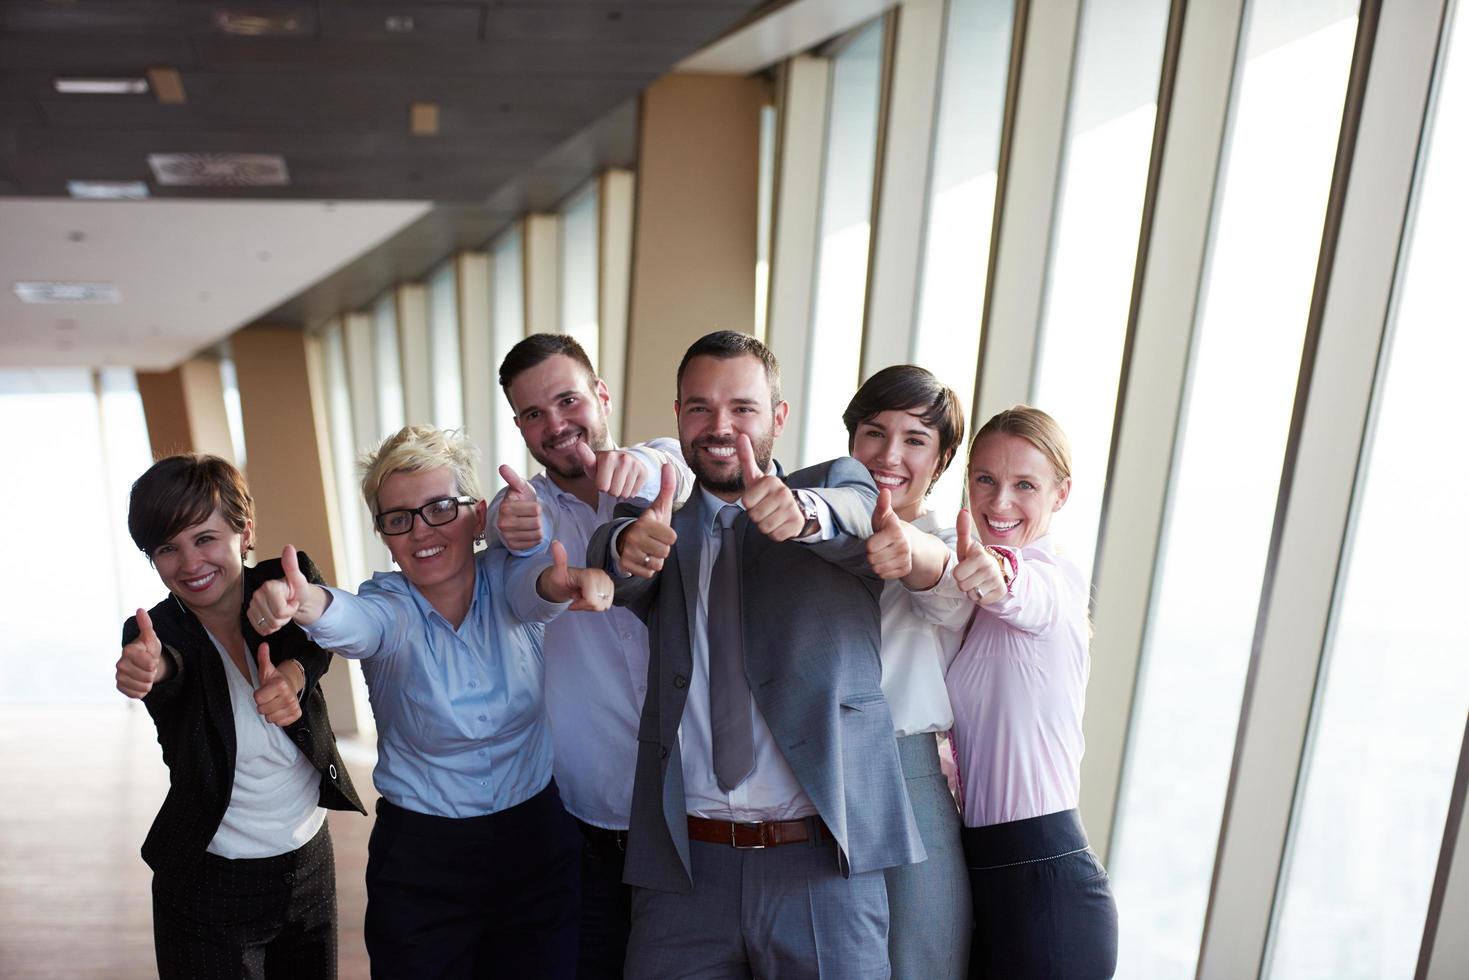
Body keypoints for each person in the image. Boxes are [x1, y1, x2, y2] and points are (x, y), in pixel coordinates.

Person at [588, 330, 924, 980]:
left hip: (822, 863)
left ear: (778, 416)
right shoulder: (661, 527)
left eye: (741, 408)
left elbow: (857, 507)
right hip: (684, 870)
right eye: (698, 407)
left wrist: (800, 512)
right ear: (678, 414)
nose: (719, 427)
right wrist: (624, 543)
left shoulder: (832, 488)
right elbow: (618, 554)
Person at [247, 424, 614, 980]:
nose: (422, 531)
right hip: (423, 857)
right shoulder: (387, 606)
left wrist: (566, 585)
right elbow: (352, 622)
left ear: (478, 515)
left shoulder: (512, 575)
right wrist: (304, 603)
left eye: (440, 507)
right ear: (385, 535)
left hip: (535, 843)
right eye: (399, 519)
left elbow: (538, 591)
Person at [115, 454, 365, 980]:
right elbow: (171, 665)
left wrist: (293, 671)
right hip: (209, 884)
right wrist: (148, 668)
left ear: (243, 531)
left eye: (205, 538)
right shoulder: (156, 634)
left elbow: (316, 638)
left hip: (310, 864)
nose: (189, 563)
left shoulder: (283, 583)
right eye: (167, 548)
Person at [494, 333, 693, 979]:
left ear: (601, 395)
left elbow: (677, 464)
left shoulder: (659, 466)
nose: (555, 425)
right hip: (590, 818)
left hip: (696, 808)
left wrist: (638, 460)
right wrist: (543, 567)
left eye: (567, 400)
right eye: (532, 414)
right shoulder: (519, 513)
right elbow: (522, 597)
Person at [944, 406, 1118, 979]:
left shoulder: (1053, 581)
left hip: (1046, 887)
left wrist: (999, 571)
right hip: (988, 875)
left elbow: (1021, 585)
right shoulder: (973, 610)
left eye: (1025, 485)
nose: (999, 503)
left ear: (1060, 495)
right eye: (986, 480)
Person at [843, 365, 973, 979]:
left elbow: (942, 585)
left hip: (906, 771)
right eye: (875, 432)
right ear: (851, 439)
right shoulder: (813, 533)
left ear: (943, 458)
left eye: (916, 440)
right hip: (809, 770)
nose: (889, 455)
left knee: (922, 957)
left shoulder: (954, 545)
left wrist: (909, 554)